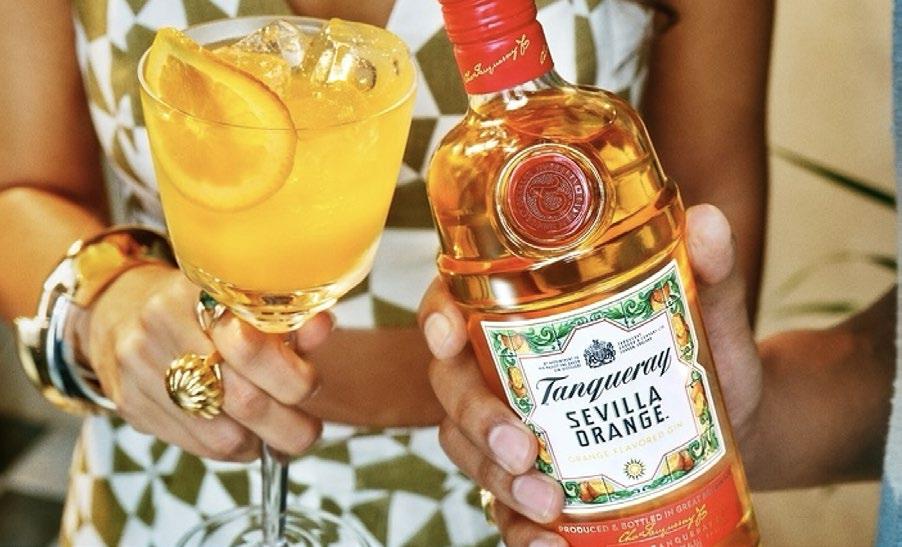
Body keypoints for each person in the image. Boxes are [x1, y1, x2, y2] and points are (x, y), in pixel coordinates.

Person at [0, 0, 771, 545]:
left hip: (543, 496)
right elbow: (17, 195)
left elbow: (707, 268)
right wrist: (107, 302)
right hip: (178, 472)